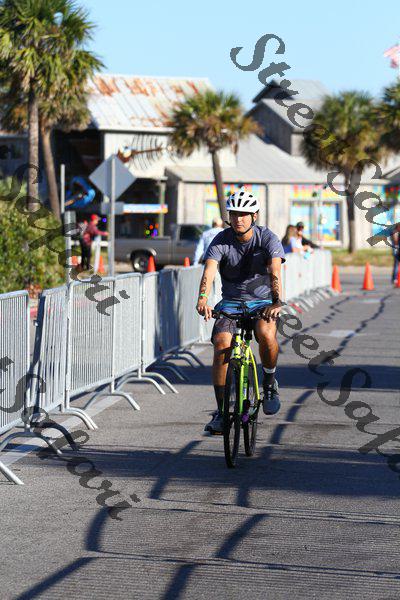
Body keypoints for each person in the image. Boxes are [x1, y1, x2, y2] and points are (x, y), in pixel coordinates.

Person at [196, 188, 286, 434]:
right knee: (221, 345)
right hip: (231, 303)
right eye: (234, 214)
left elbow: (275, 271)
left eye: (244, 214)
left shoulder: (267, 238)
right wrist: (202, 299)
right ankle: (222, 411)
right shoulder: (221, 240)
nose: (238, 219)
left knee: (266, 334)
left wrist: (276, 301)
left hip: (262, 302)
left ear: (254, 216)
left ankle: (269, 382)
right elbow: (209, 272)